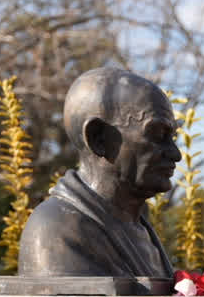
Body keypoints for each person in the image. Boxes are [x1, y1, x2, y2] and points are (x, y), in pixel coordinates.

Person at [17, 67, 177, 278]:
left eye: (172, 137)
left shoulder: (139, 228)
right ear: (99, 139)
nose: (175, 154)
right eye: (156, 134)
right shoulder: (56, 229)